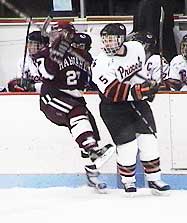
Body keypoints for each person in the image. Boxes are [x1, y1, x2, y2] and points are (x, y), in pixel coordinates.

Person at [33, 21, 115, 191]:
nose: (57, 35)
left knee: (90, 133)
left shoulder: (82, 54)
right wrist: (57, 51)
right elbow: (48, 74)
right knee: (77, 115)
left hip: (76, 98)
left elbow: (92, 77)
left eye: (60, 32)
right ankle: (93, 151)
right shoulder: (43, 54)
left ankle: (92, 175)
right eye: (55, 32)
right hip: (53, 97)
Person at [91, 23, 170, 194]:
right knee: (128, 146)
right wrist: (143, 90)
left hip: (137, 103)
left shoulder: (136, 48)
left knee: (149, 141)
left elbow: (137, 73)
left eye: (112, 40)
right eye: (105, 40)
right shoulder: (100, 63)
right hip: (113, 108)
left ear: (122, 39)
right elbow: (114, 92)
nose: (108, 44)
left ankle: (155, 179)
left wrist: (149, 84)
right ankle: (128, 182)